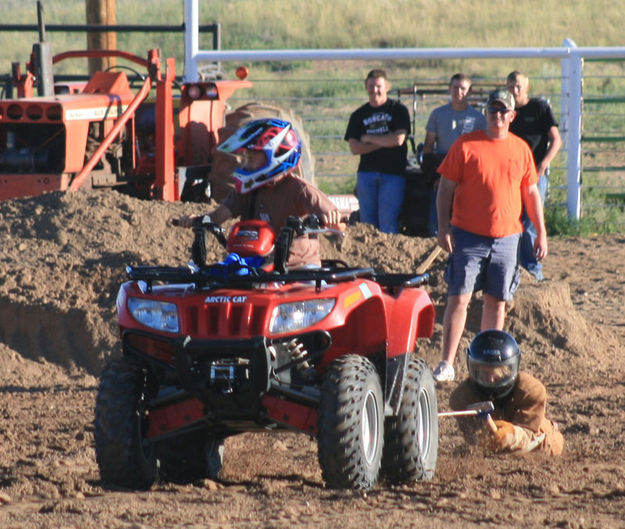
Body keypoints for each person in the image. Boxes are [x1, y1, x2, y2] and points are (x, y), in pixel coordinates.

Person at [432, 89, 547, 383]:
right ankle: (447, 362)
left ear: (512, 115)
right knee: (459, 298)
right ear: (485, 113)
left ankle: (485, 364)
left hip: (507, 237)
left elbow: (531, 192)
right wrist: (443, 228)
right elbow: (445, 188)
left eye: (502, 111)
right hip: (468, 236)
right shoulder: (465, 146)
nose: (497, 116)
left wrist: (541, 232)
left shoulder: (521, 149)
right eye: (492, 111)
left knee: (497, 302)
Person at [176, 118, 345, 269]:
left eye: (252, 156)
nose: (246, 162)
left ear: (276, 155)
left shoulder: (301, 190)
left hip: (298, 269)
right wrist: (198, 220)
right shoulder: (247, 189)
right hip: (258, 266)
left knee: (311, 291)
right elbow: (218, 216)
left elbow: (340, 226)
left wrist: (334, 223)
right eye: (246, 156)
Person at [449, 330, 564, 456]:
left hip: (537, 439)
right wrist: (483, 436)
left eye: (496, 373)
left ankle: (553, 427)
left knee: (548, 447)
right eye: (484, 373)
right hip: (490, 446)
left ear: (509, 369)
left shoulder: (531, 391)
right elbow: (472, 436)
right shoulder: (461, 397)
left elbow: (529, 434)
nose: (490, 379)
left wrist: (510, 435)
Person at [506, 71, 562, 281]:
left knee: (530, 221)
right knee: (512, 220)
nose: (514, 90)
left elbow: (555, 139)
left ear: (526, 87)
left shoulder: (539, 108)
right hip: (511, 174)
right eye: (510, 86)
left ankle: (532, 271)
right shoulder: (505, 111)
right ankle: (514, 267)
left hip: (534, 173)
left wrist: (544, 163)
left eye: (518, 86)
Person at [344, 69, 411, 233]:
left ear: (387, 87)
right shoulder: (358, 115)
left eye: (379, 86)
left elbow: (398, 140)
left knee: (388, 222)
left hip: (393, 174)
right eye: (371, 86)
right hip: (366, 174)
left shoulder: (398, 110)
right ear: (366, 87)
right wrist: (384, 142)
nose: (375, 90)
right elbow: (354, 147)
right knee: (367, 224)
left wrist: (369, 139)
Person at [422, 73, 487, 236]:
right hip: (442, 168)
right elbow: (428, 147)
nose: (459, 92)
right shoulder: (438, 114)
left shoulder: (478, 118)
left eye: (463, 88)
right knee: (437, 223)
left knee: (467, 223)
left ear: (470, 91)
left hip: (468, 172)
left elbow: (483, 151)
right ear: (449, 89)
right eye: (455, 88)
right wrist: (434, 176)